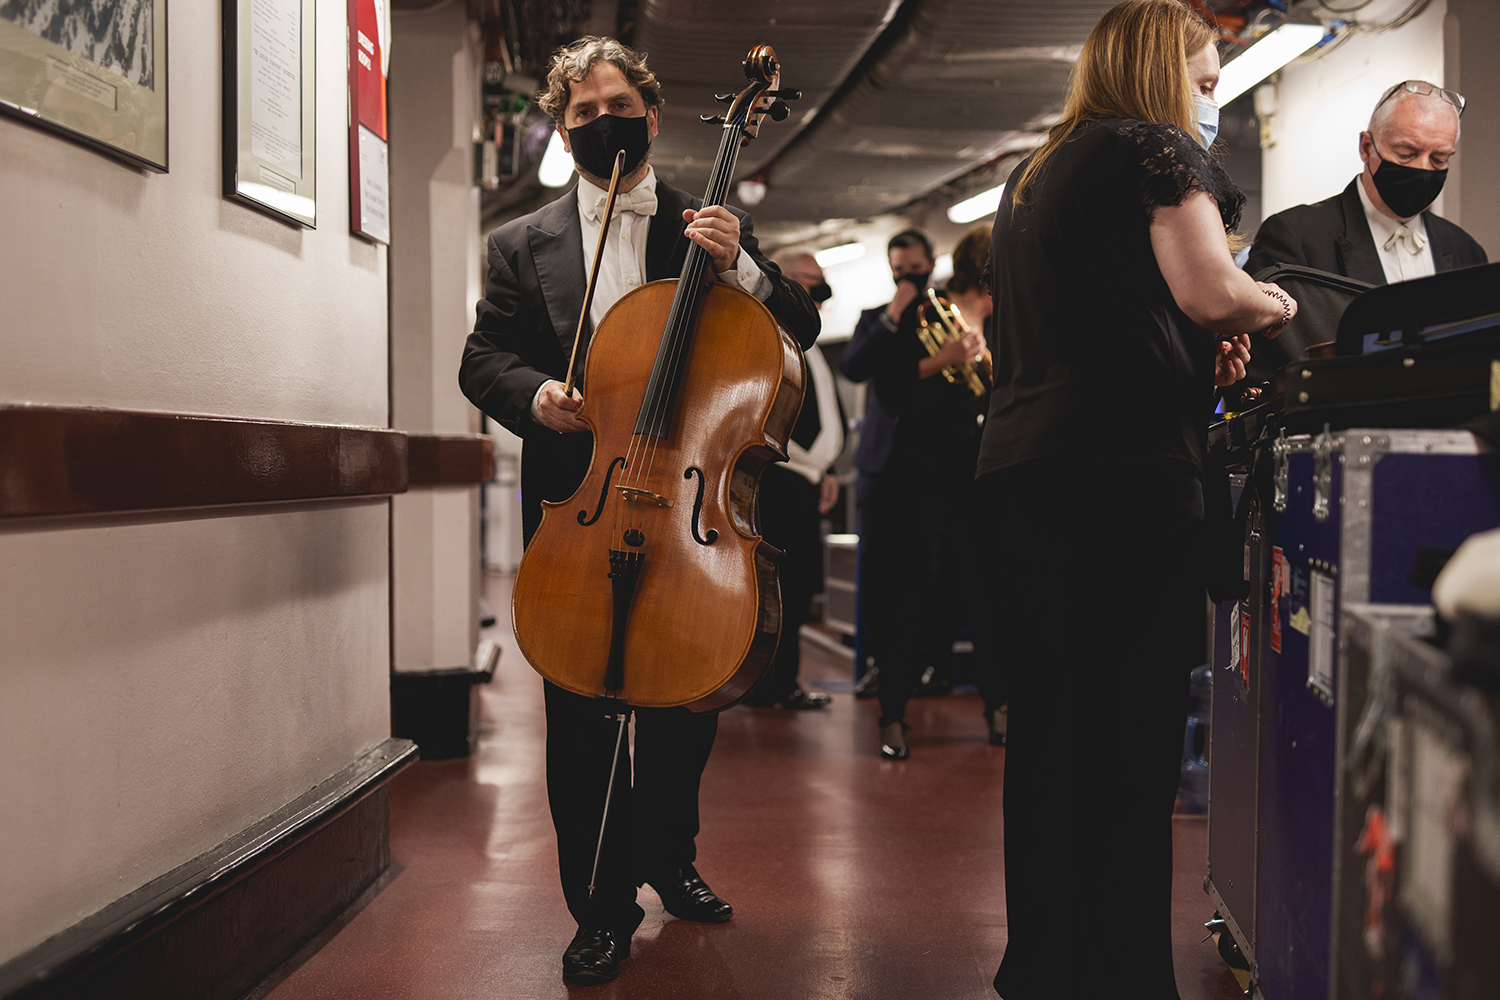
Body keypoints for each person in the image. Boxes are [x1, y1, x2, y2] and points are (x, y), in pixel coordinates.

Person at [458, 37, 819, 986]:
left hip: (687, 504)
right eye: (581, 112)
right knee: (578, 717)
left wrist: (743, 268)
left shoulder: (705, 227)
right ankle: (599, 907)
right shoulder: (518, 244)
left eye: (618, 104)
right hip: (580, 499)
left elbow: (800, 327)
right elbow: (482, 358)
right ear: (560, 125)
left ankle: (669, 855)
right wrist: (539, 394)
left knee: (684, 703)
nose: (600, 121)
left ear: (654, 116)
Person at [977, 2, 1296, 997]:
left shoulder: (1038, 173)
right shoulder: (1157, 151)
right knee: (1129, 740)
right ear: (1166, 74)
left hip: (1024, 478)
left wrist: (1188, 345)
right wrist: (1274, 302)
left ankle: (1043, 966)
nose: (1210, 101)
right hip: (1119, 486)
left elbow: (1122, 309)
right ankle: (1120, 976)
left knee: (1049, 739)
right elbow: (1212, 290)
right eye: (1206, 81)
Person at [839, 228, 996, 760]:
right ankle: (894, 714)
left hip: (976, 477)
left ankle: (998, 707)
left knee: (982, 593)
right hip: (920, 477)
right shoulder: (916, 317)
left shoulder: (997, 322)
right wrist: (948, 356)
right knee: (913, 593)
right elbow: (886, 384)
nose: (910, 278)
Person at [1247, 79, 1486, 285]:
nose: (1423, 168)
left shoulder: (1465, 251)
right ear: (1366, 147)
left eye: (1439, 158)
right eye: (1406, 153)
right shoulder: (1295, 238)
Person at [743, 248, 845, 710]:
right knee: (772, 585)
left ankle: (785, 680)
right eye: (811, 286)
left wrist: (827, 470)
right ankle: (765, 683)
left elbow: (824, 414)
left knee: (799, 585)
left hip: (805, 481)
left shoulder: (811, 346)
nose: (819, 299)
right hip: (774, 477)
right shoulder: (765, 337)